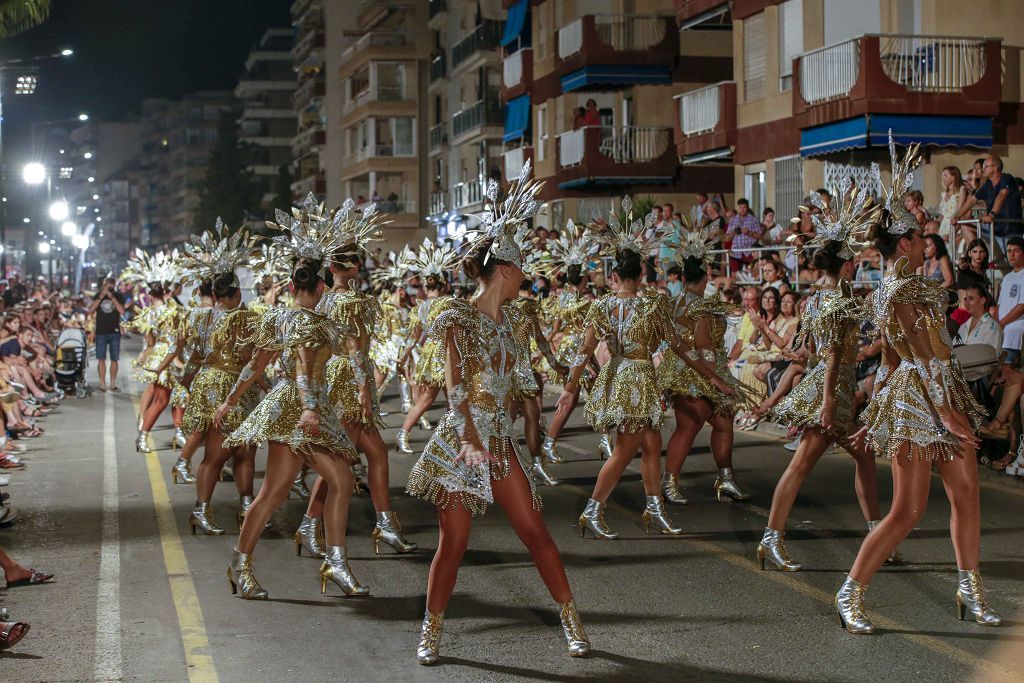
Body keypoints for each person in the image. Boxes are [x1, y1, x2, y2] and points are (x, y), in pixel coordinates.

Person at [407, 164, 590, 664]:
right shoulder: (457, 315)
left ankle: (572, 623)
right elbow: (453, 382)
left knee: (536, 532)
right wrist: (468, 433)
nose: (527, 275)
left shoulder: (515, 322)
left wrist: (572, 374)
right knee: (455, 542)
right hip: (461, 442)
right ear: (505, 270)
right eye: (522, 267)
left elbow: (524, 380)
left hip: (499, 440)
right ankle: (432, 631)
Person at [836, 136, 1000, 634]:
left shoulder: (919, 284)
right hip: (921, 401)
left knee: (967, 494)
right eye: (922, 232)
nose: (928, 235)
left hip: (939, 389)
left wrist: (877, 401)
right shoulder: (896, 289)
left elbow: (901, 357)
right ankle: (850, 592)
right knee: (907, 509)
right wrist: (944, 412)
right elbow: (918, 360)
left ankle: (970, 592)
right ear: (905, 243)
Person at [217, 199, 370, 600]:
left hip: (292, 406)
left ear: (290, 286)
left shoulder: (279, 318)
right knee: (336, 480)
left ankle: (244, 563)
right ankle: (332, 562)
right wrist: (308, 407)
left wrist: (230, 402)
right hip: (302, 410)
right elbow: (303, 367)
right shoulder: (313, 325)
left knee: (279, 493)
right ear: (320, 286)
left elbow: (255, 366)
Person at [557, 198, 723, 538]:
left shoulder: (601, 305)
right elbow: (678, 346)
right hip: (638, 378)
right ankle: (593, 509)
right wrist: (711, 375)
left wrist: (570, 387)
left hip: (617, 376)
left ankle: (653, 508)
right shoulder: (652, 305)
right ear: (641, 273)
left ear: (615, 275)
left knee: (651, 444)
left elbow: (584, 350)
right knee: (625, 449)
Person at [757, 182, 886, 571]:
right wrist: (829, 401)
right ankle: (771, 539)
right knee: (799, 467)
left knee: (864, 457)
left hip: (835, 388)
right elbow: (828, 357)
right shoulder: (842, 302)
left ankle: (878, 534)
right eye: (857, 262)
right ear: (847, 266)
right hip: (830, 393)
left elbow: (808, 349)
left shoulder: (814, 299)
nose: (858, 266)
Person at [297, 221, 417, 559]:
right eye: (350, 260)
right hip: (350, 381)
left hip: (343, 377)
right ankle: (309, 524)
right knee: (342, 461)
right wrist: (365, 390)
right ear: (341, 266)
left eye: (354, 259)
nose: (354, 265)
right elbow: (354, 349)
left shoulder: (326, 302)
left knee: (376, 454)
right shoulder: (348, 302)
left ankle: (386, 525)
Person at [658, 229, 753, 506]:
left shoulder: (671, 303)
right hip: (696, 373)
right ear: (706, 276)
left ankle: (725, 478)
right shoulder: (702, 306)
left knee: (724, 423)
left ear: (684, 277)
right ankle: (669, 483)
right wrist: (715, 378)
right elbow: (704, 347)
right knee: (690, 425)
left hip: (690, 369)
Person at [954, 154, 1022, 253]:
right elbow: (972, 200)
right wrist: (957, 217)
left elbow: (1002, 195)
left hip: (1009, 228)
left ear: (995, 168)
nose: (982, 170)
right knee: (965, 225)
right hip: (994, 227)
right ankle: (977, 255)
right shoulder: (988, 184)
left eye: (985, 167)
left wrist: (992, 214)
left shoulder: (1007, 178)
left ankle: (982, 254)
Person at [88, 277, 125, 392]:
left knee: (114, 359)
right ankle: (102, 383)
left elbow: (122, 311)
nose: (109, 287)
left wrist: (112, 298)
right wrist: (101, 296)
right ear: (104, 285)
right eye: (107, 285)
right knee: (101, 359)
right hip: (101, 332)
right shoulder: (98, 295)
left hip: (114, 331)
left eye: (111, 285)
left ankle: (113, 383)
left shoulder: (118, 296)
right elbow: (91, 310)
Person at [996, 236, 1024, 365]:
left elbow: (1021, 306)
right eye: (1009, 251)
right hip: (1002, 325)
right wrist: (995, 324)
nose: (1011, 254)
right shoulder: (1007, 277)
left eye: (1016, 250)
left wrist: (1002, 324)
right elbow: (999, 304)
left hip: (1016, 325)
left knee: (1012, 330)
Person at [939, 166, 969, 242]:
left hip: (954, 224)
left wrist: (953, 231)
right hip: (943, 226)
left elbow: (959, 210)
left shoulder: (961, 191)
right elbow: (942, 214)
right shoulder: (944, 194)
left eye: (945, 175)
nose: (943, 178)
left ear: (953, 177)